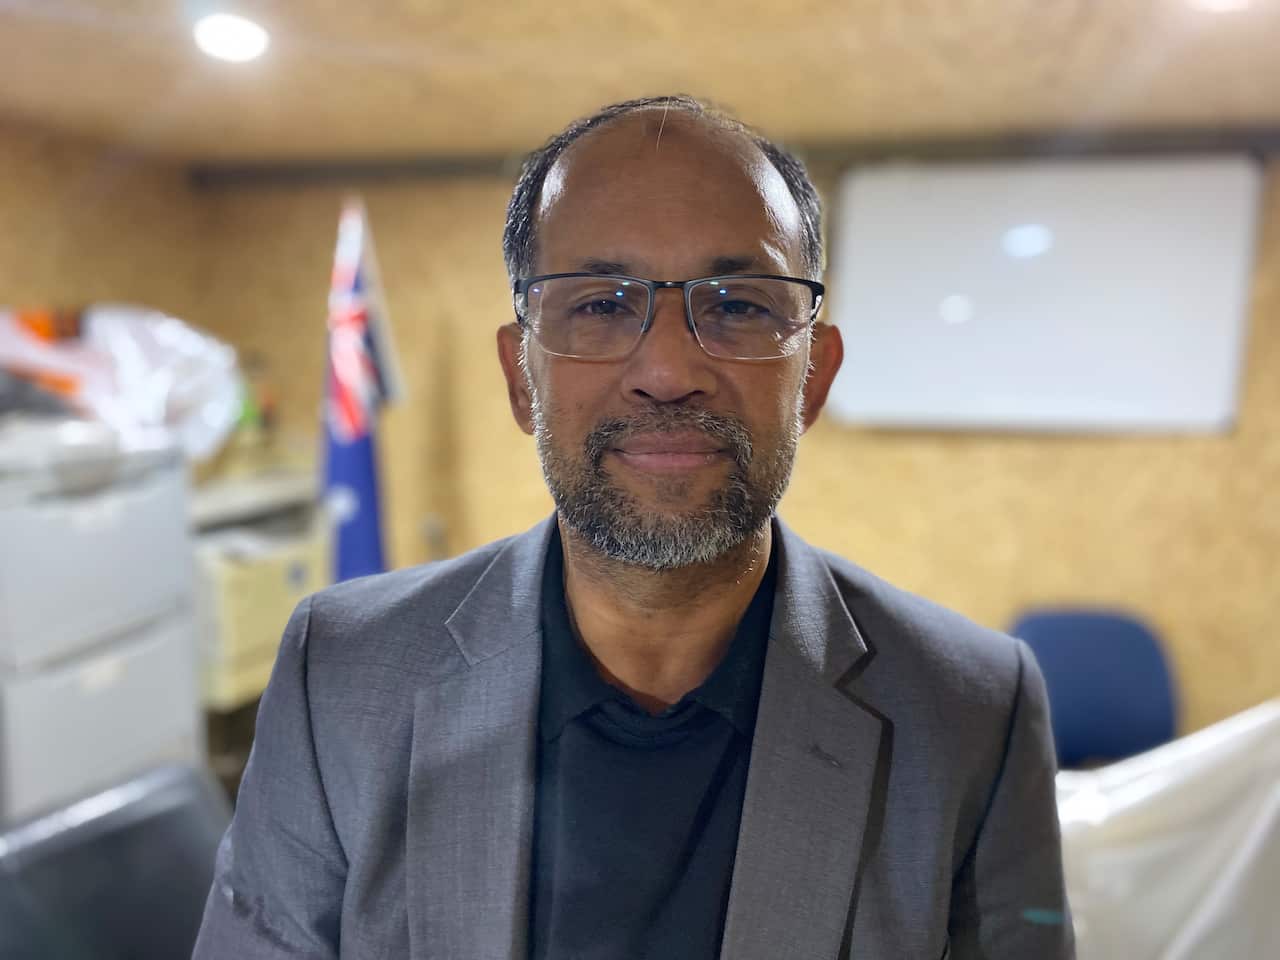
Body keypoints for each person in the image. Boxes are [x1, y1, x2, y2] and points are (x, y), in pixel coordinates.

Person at [193, 95, 1073, 960]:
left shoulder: (974, 711)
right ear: (520, 378)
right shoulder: (339, 677)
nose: (665, 369)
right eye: (601, 304)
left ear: (812, 377)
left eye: (736, 304)